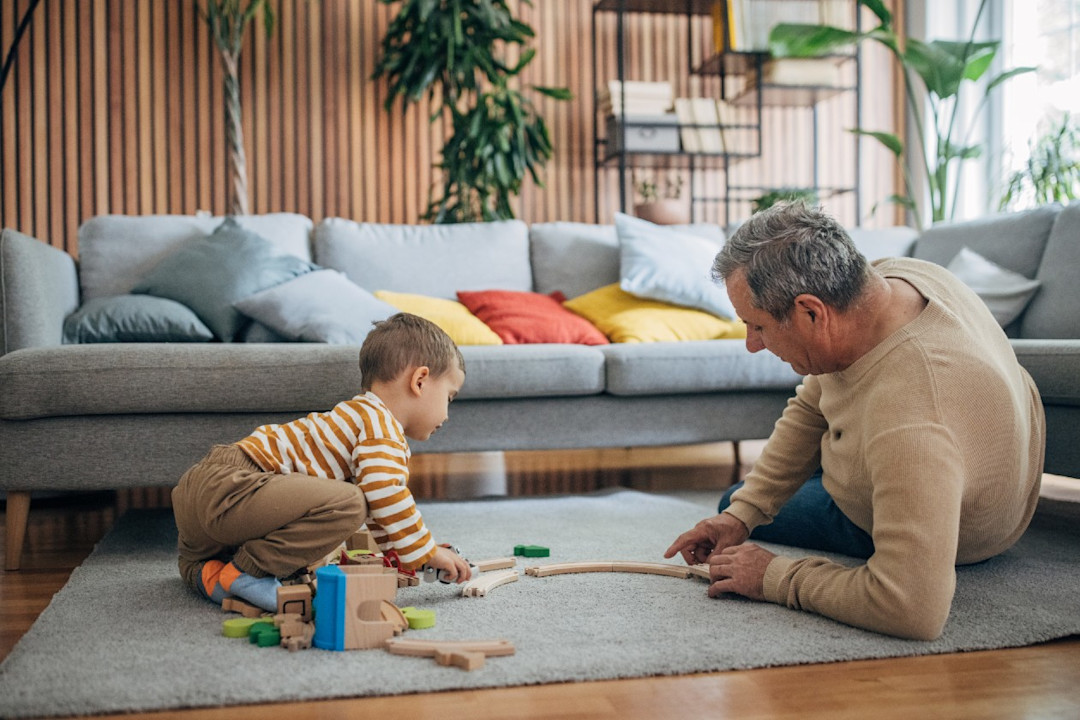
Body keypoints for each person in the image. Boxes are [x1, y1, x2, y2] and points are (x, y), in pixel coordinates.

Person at [665, 202, 1045, 640]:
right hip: (968, 462)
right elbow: (812, 405)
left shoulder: (912, 422)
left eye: (758, 326)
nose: (752, 345)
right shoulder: (892, 280)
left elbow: (910, 607)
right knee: (739, 505)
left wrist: (775, 576)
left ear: (811, 312)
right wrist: (743, 516)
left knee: (734, 498)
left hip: (965, 530)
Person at [172, 312, 472, 612]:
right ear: (419, 381)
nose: (446, 414)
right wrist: (426, 551)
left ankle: (207, 574)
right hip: (233, 487)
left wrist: (410, 557)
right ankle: (246, 572)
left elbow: (380, 512)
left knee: (352, 503)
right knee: (349, 504)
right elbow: (385, 493)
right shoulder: (381, 426)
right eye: (449, 397)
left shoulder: (356, 416)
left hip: (197, 496)